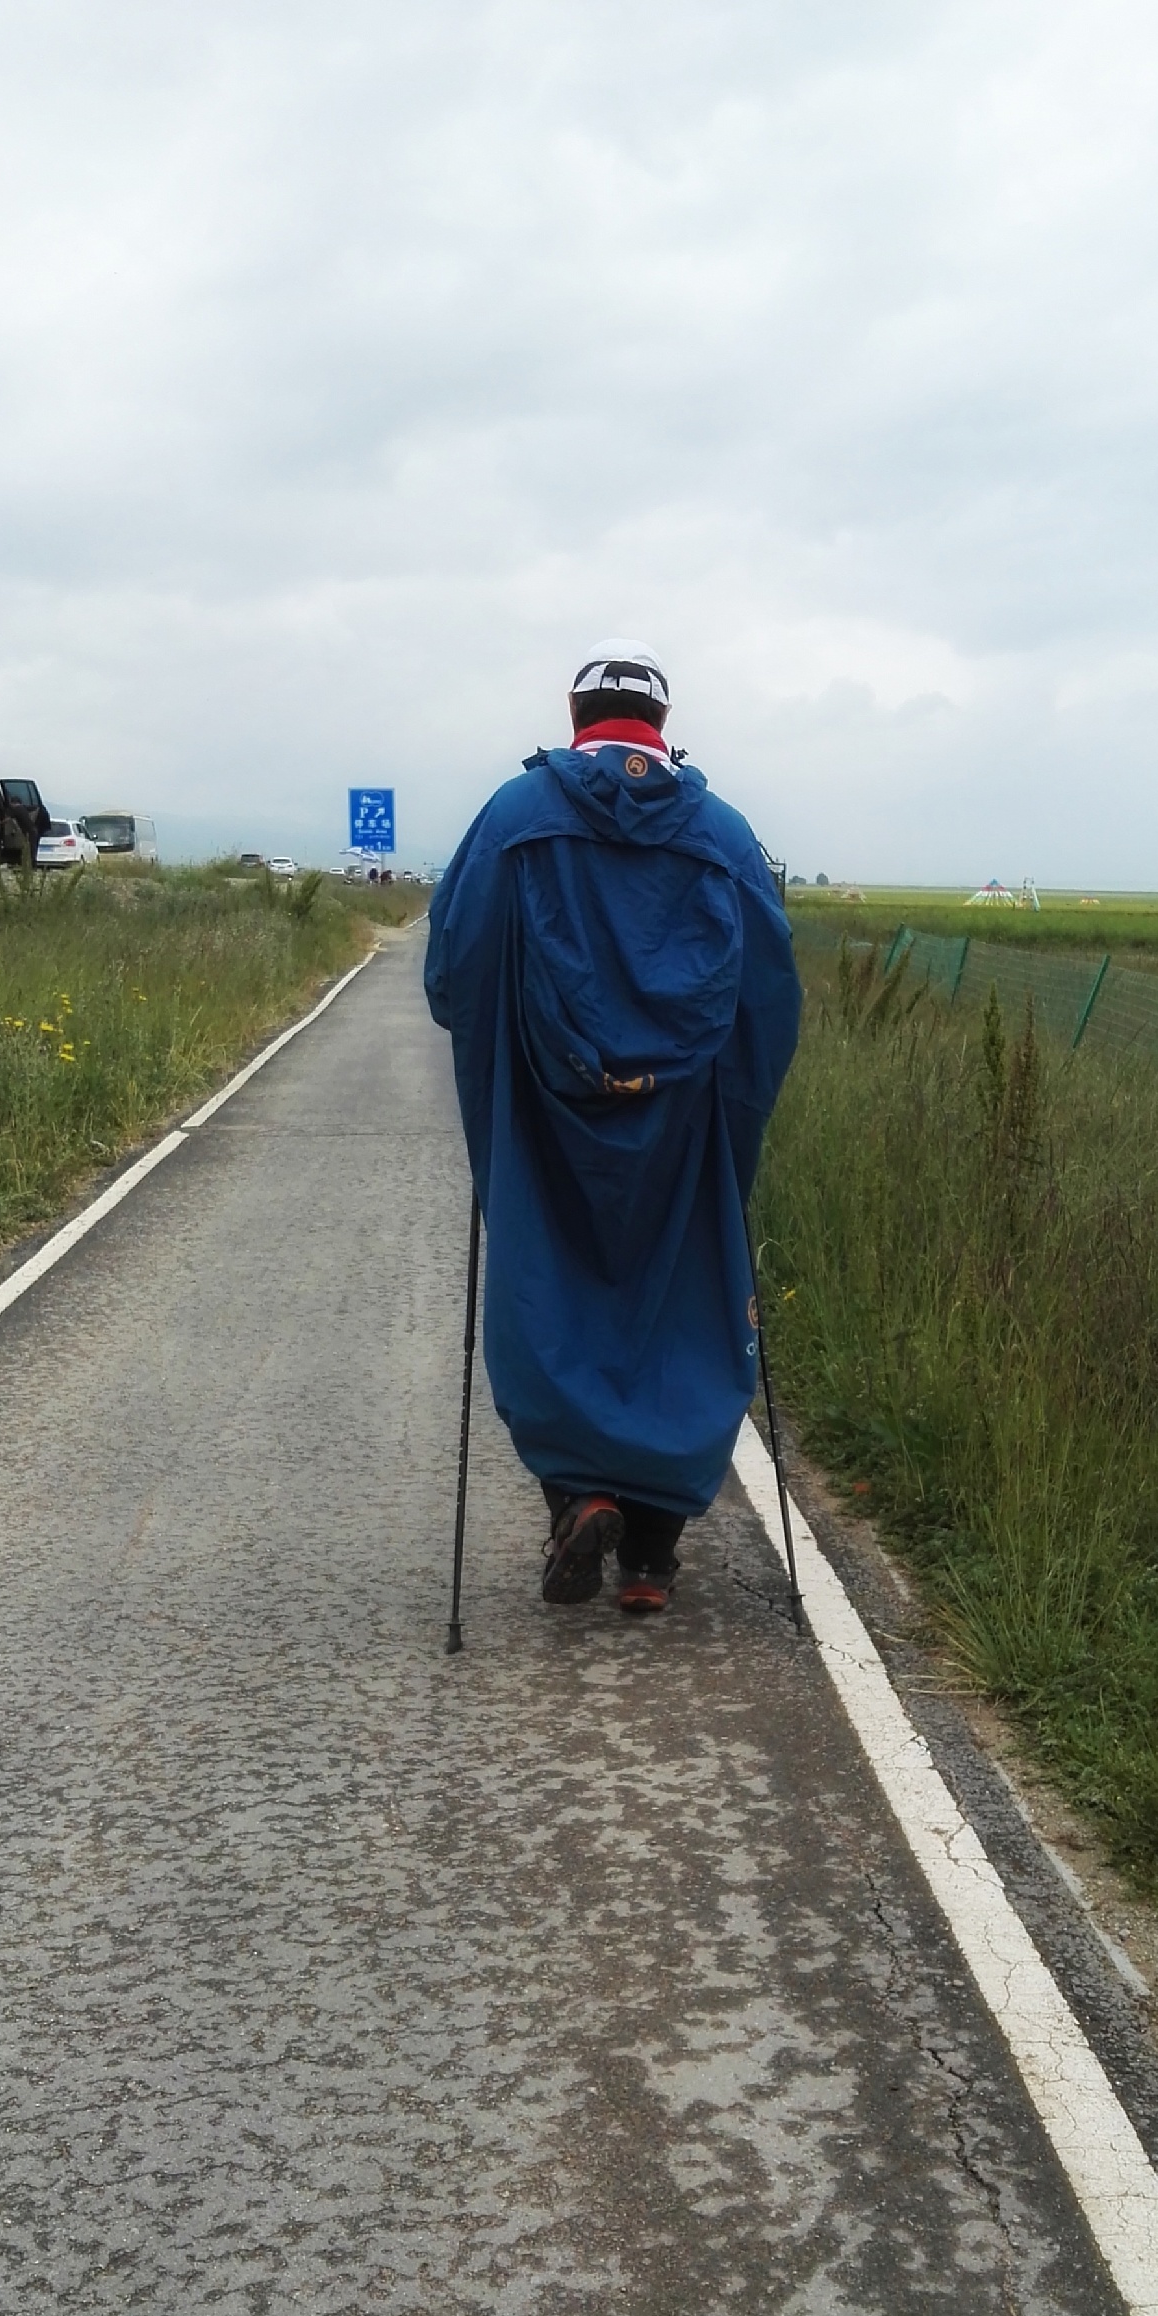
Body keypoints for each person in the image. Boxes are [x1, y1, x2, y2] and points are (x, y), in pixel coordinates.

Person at [425, 639, 801, 1615]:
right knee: (682, 1304)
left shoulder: (514, 818)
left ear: (575, 712)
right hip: (683, 1132)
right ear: (662, 723)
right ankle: (650, 1555)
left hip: (546, 1120)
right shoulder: (724, 836)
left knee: (545, 1296)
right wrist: (734, 1116)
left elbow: (454, 972)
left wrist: (509, 1059)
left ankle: (578, 1496)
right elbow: (769, 1002)